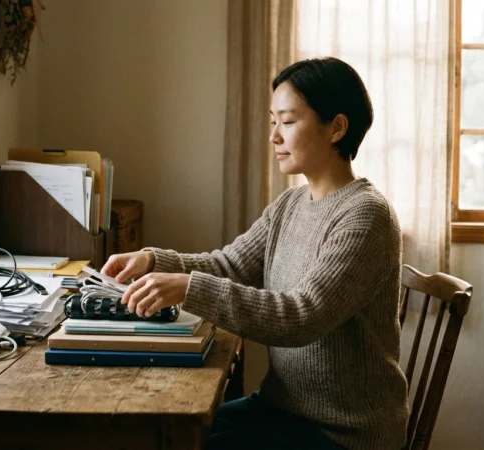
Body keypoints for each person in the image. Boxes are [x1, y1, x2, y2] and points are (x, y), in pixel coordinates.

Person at [101, 57, 409, 450]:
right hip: (284, 410)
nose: (273, 137)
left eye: (288, 121)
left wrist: (189, 288)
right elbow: (228, 266)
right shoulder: (290, 204)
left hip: (343, 433)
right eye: (272, 121)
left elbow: (302, 316)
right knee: (156, 431)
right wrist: (153, 260)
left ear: (337, 128)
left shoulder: (366, 215)